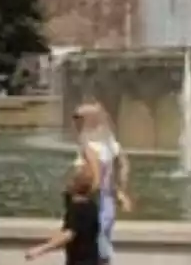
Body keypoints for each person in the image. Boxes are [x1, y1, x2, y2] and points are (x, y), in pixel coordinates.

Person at [72, 103, 132, 264]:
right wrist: (121, 192)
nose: (76, 121)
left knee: (95, 246)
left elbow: (98, 177)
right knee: (100, 245)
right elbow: (124, 165)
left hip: (94, 200)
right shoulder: (107, 142)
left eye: (79, 118)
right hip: (104, 199)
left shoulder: (91, 145)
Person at [24, 167, 101, 265]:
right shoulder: (91, 206)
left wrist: (40, 249)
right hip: (91, 259)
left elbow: (68, 234)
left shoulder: (77, 209)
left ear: (75, 185)